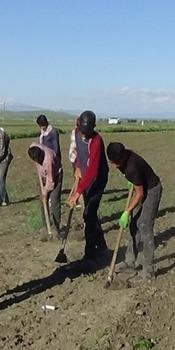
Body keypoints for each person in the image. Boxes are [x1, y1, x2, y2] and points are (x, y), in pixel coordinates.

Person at [106, 142, 163, 282]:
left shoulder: (132, 167)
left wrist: (127, 211)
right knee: (133, 225)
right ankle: (130, 262)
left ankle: (148, 270)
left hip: (152, 190)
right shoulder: (123, 157)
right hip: (141, 186)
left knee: (144, 225)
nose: (114, 166)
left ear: (122, 159)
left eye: (116, 163)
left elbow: (140, 194)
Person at [67, 110, 109, 261]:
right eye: (82, 132)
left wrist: (78, 192)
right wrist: (77, 166)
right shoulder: (77, 132)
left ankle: (90, 254)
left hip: (98, 179)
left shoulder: (97, 141)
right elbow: (77, 152)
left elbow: (93, 170)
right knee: (90, 214)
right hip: (84, 176)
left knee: (89, 214)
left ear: (93, 127)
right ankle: (102, 247)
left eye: (87, 132)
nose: (83, 136)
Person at [27, 143, 62, 233]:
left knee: (54, 201)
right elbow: (33, 145)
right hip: (43, 175)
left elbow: (50, 181)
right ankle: (46, 226)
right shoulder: (33, 148)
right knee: (42, 201)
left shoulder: (48, 160)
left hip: (56, 175)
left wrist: (45, 191)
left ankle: (56, 228)